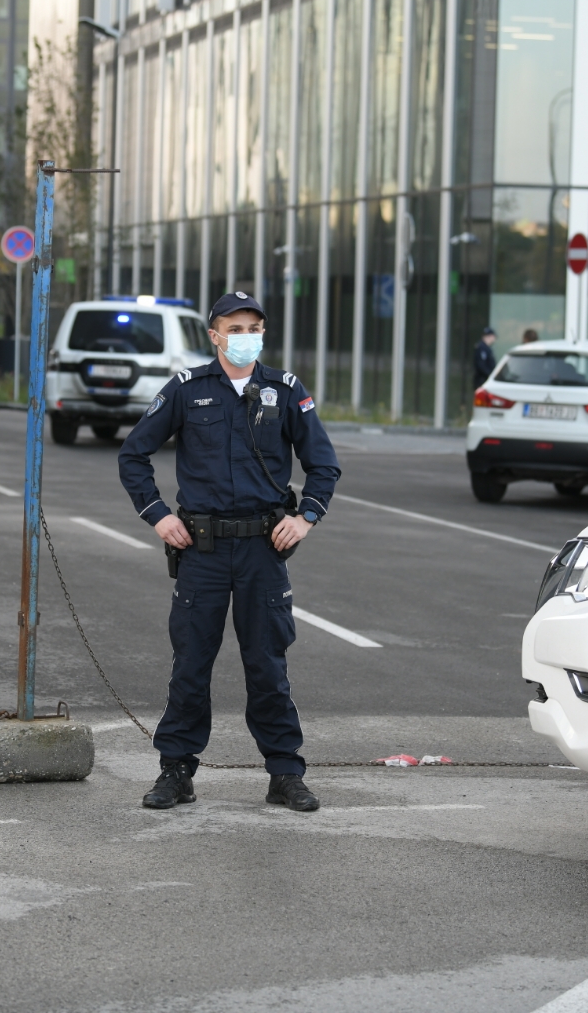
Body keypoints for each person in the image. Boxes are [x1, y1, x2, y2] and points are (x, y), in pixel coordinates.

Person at [117, 290, 342, 814]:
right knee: (191, 662)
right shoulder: (186, 389)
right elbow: (134, 455)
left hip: (264, 550)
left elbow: (323, 464)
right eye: (234, 329)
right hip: (203, 550)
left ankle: (285, 772)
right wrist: (159, 515)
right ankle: (176, 771)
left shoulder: (285, 390)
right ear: (214, 335)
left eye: (253, 328)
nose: (245, 338)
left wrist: (306, 515)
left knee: (267, 664)